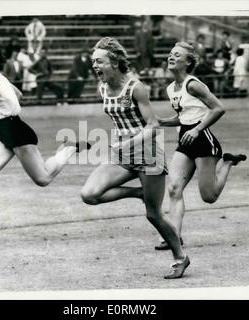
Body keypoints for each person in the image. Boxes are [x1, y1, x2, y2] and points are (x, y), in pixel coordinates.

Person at [0, 41, 89, 235]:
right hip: (6, 130)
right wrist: (3, 116)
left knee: (43, 179)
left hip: (15, 131)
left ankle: (69, 149)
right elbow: (18, 94)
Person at [80, 37, 187, 279]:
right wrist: (122, 144)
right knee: (89, 194)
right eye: (93, 61)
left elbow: (152, 125)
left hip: (148, 153)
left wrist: (129, 141)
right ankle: (138, 192)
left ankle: (180, 257)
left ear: (115, 61)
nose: (95, 66)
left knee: (153, 215)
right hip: (122, 154)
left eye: (99, 61)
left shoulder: (136, 87)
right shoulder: (102, 87)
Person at [153, 42, 247, 257]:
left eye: (177, 55)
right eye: (170, 53)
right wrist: (162, 122)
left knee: (209, 196)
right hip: (185, 141)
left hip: (203, 140)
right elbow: (184, 117)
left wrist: (196, 130)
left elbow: (218, 108)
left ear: (188, 61)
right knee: (174, 188)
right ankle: (173, 235)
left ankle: (228, 162)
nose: (171, 57)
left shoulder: (193, 85)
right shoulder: (170, 88)